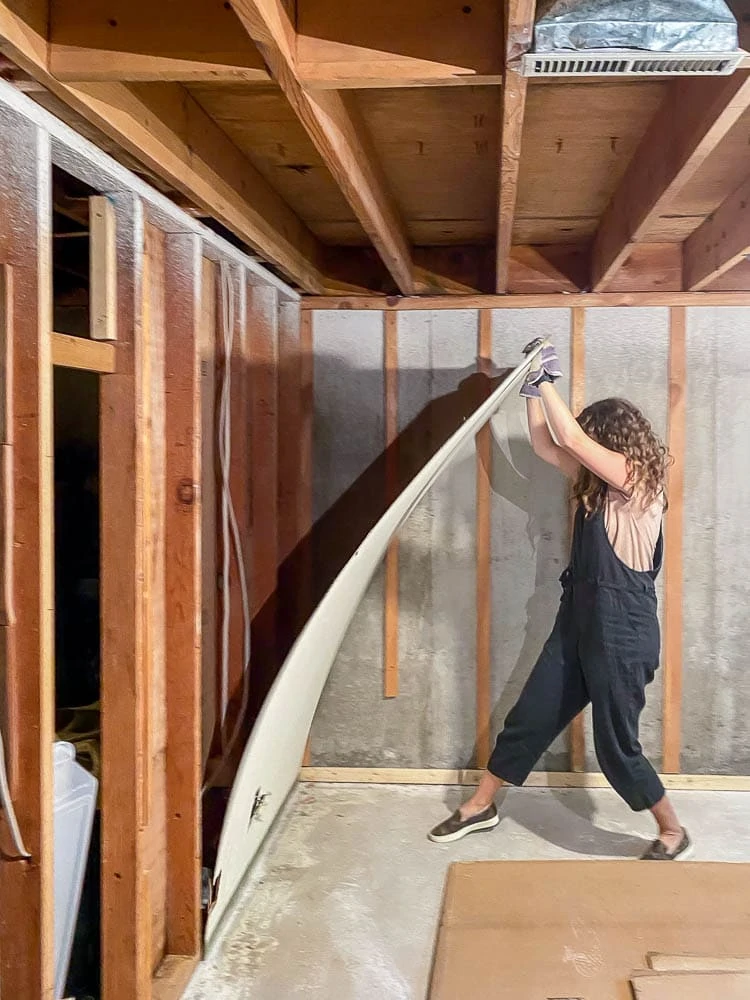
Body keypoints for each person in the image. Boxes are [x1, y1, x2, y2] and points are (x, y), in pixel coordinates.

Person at [429, 339, 690, 861]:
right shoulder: (596, 484)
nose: (581, 449)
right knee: (531, 715)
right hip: (578, 623)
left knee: (617, 748)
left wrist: (548, 374)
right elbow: (548, 443)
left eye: (592, 442)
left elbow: (567, 435)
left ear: (613, 442)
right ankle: (482, 805)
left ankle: (672, 830)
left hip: (623, 634)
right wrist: (531, 388)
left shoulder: (639, 485)